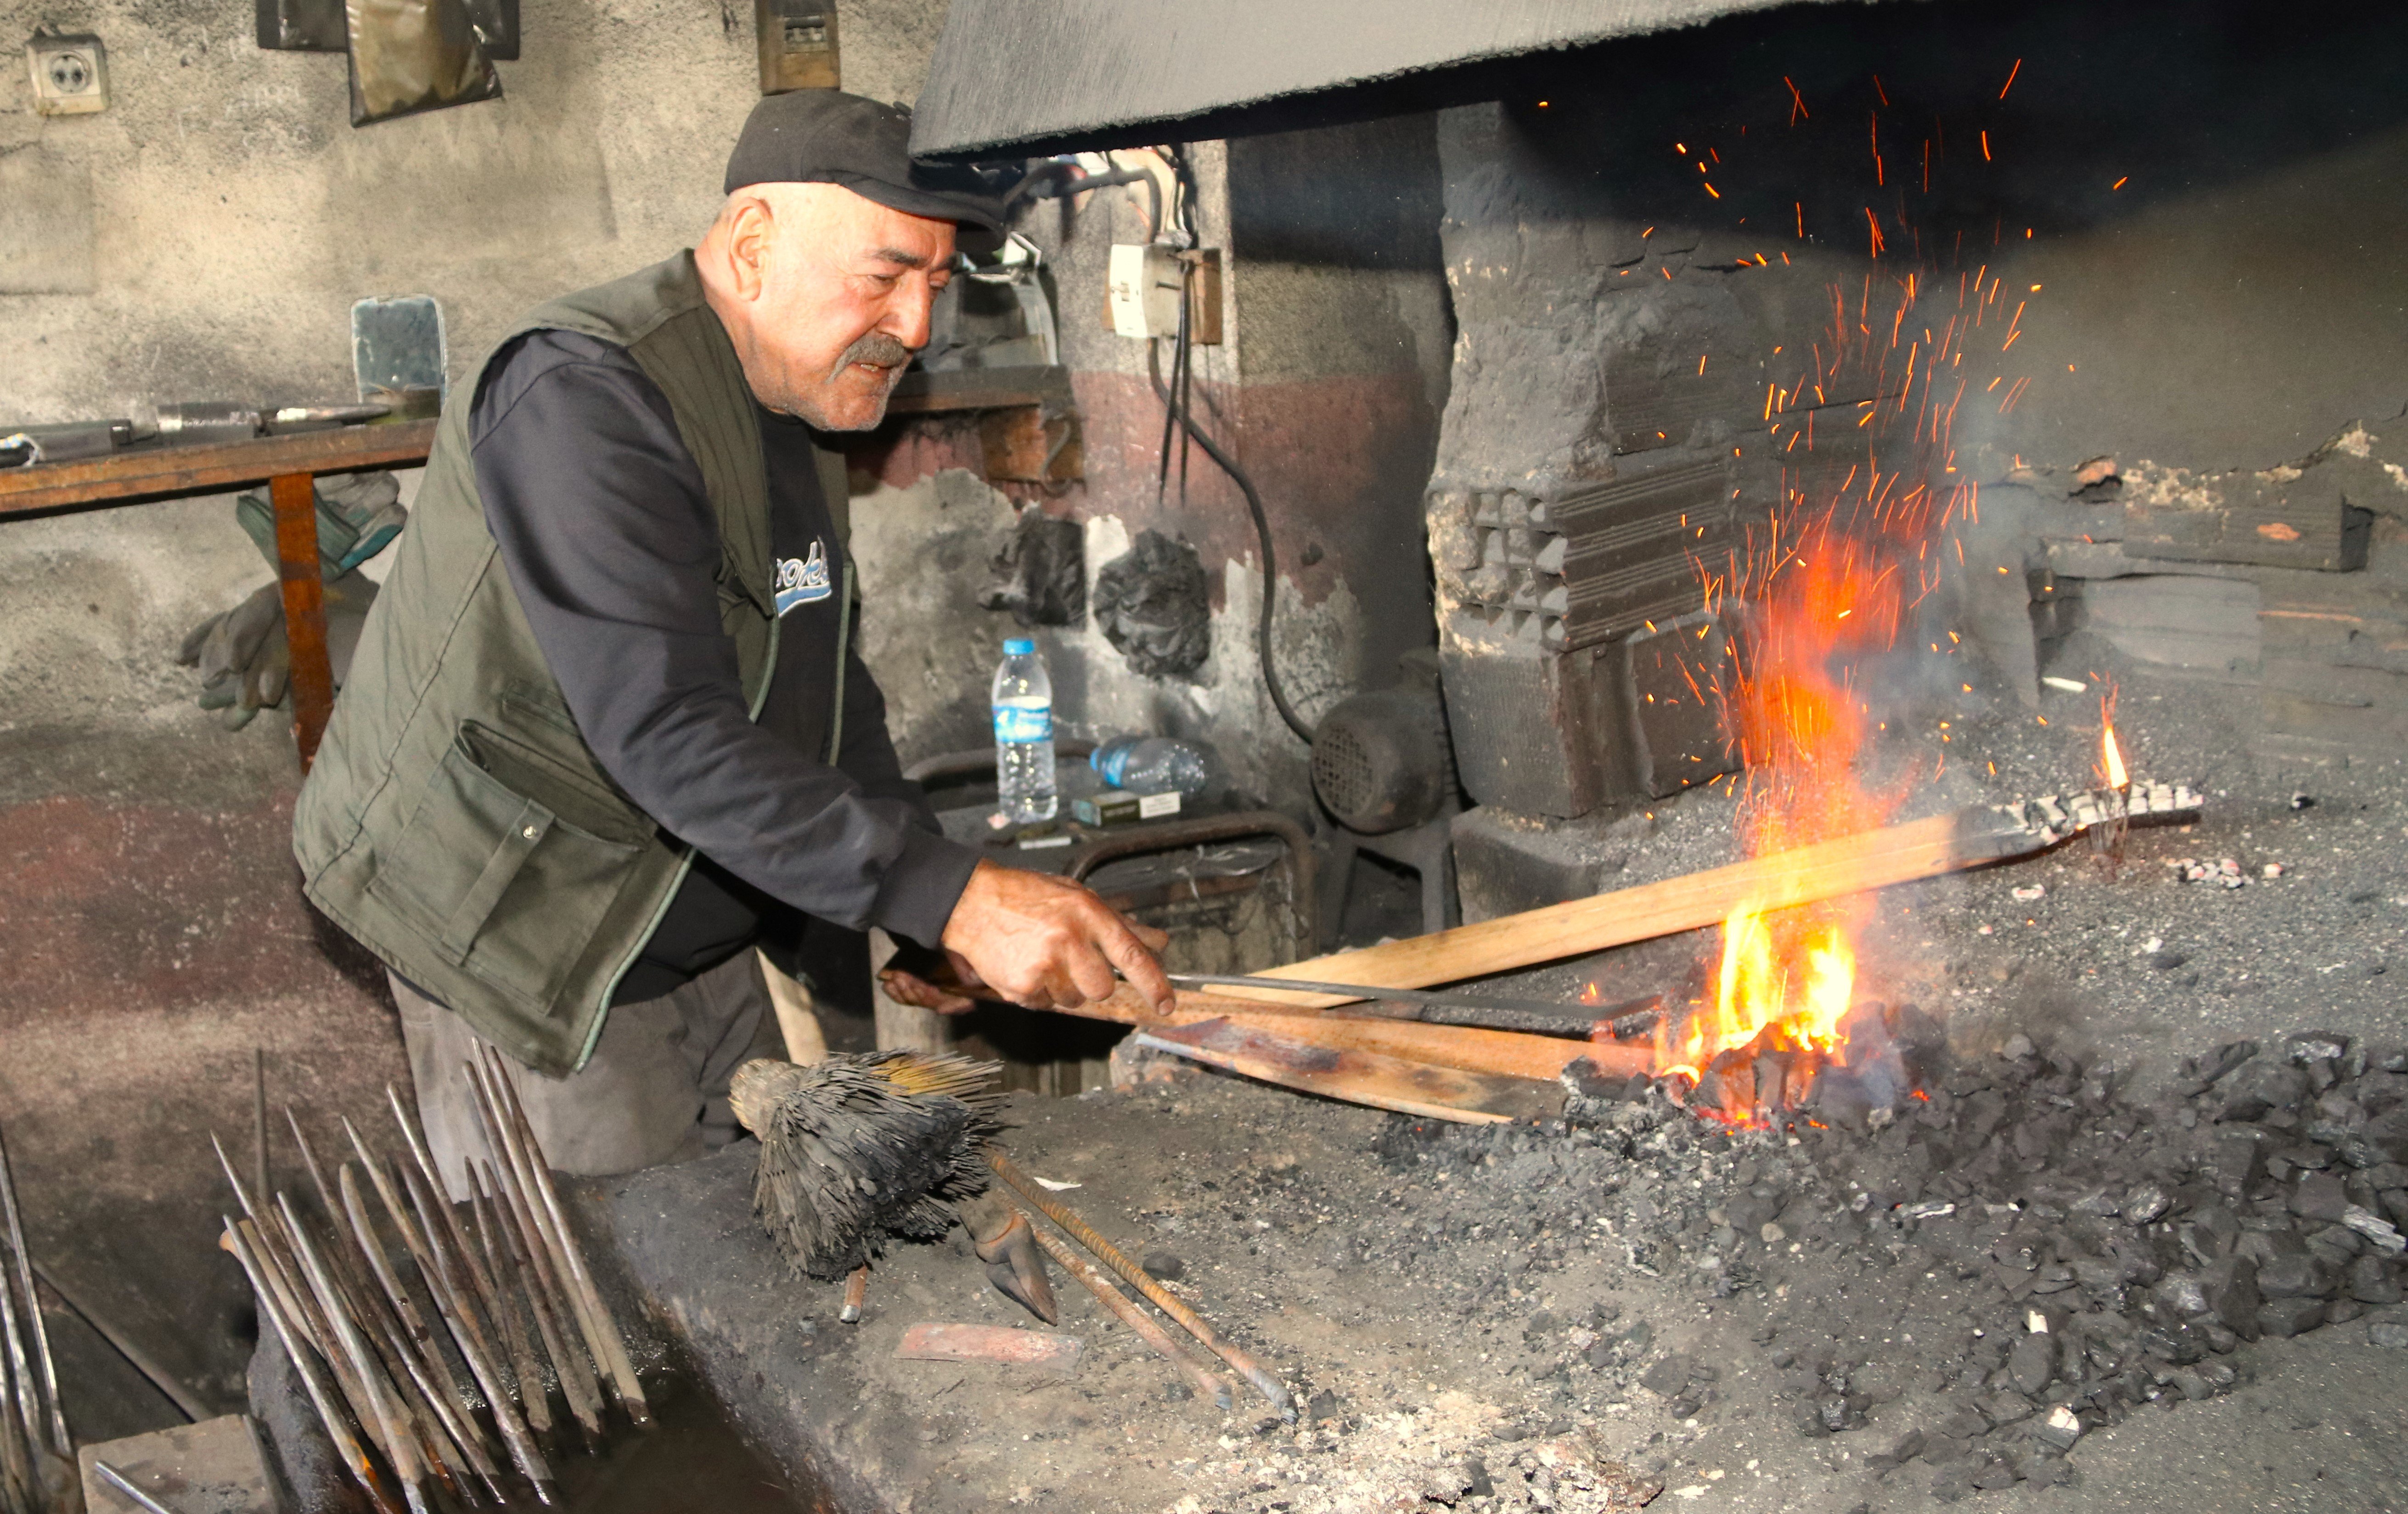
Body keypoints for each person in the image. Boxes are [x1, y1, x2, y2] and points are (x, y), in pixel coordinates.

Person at [294, 90, 1174, 1193]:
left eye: (935, 288)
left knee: (746, 1245)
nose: (914, 326)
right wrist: (949, 892)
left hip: (684, 905)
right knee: (625, 1297)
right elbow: (661, 722)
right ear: (753, 244)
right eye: (883, 276)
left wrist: (921, 913)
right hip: (526, 927)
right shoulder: (584, 393)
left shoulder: (795, 387)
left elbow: (819, 678)